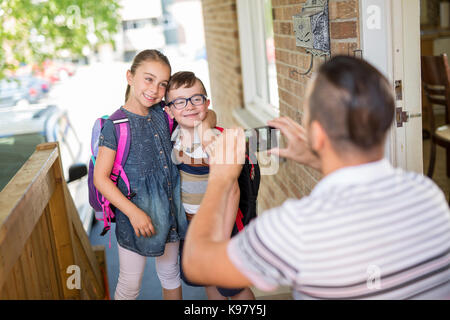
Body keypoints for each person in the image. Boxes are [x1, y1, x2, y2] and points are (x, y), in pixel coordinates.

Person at [181, 55, 450, 299]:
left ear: (317, 135)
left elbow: (196, 264)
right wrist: (319, 159)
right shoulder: (429, 194)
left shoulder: (294, 227)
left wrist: (221, 176)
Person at [93, 50, 216, 300]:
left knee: (170, 275)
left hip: (169, 214)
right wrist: (134, 213)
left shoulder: (164, 112)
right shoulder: (115, 126)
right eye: (148, 79)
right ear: (130, 76)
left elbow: (205, 113)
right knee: (129, 285)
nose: (155, 90)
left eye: (162, 84)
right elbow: (101, 178)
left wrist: (205, 129)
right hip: (134, 219)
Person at [165, 71, 255, 300]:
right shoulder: (173, 138)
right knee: (209, 281)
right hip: (192, 228)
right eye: (179, 101)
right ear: (169, 111)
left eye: (196, 99)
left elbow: (232, 191)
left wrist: (222, 239)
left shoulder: (215, 142)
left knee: (234, 286)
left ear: (207, 102)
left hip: (222, 227)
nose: (189, 106)